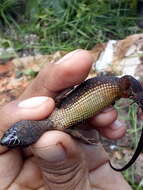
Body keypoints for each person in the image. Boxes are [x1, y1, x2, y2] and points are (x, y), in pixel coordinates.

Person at [0, 50, 132, 190]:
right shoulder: (55, 118)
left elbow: (74, 130)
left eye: (11, 132)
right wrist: (83, 138)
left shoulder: (53, 113)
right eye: (18, 141)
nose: (9, 138)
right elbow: (75, 132)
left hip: (84, 100)